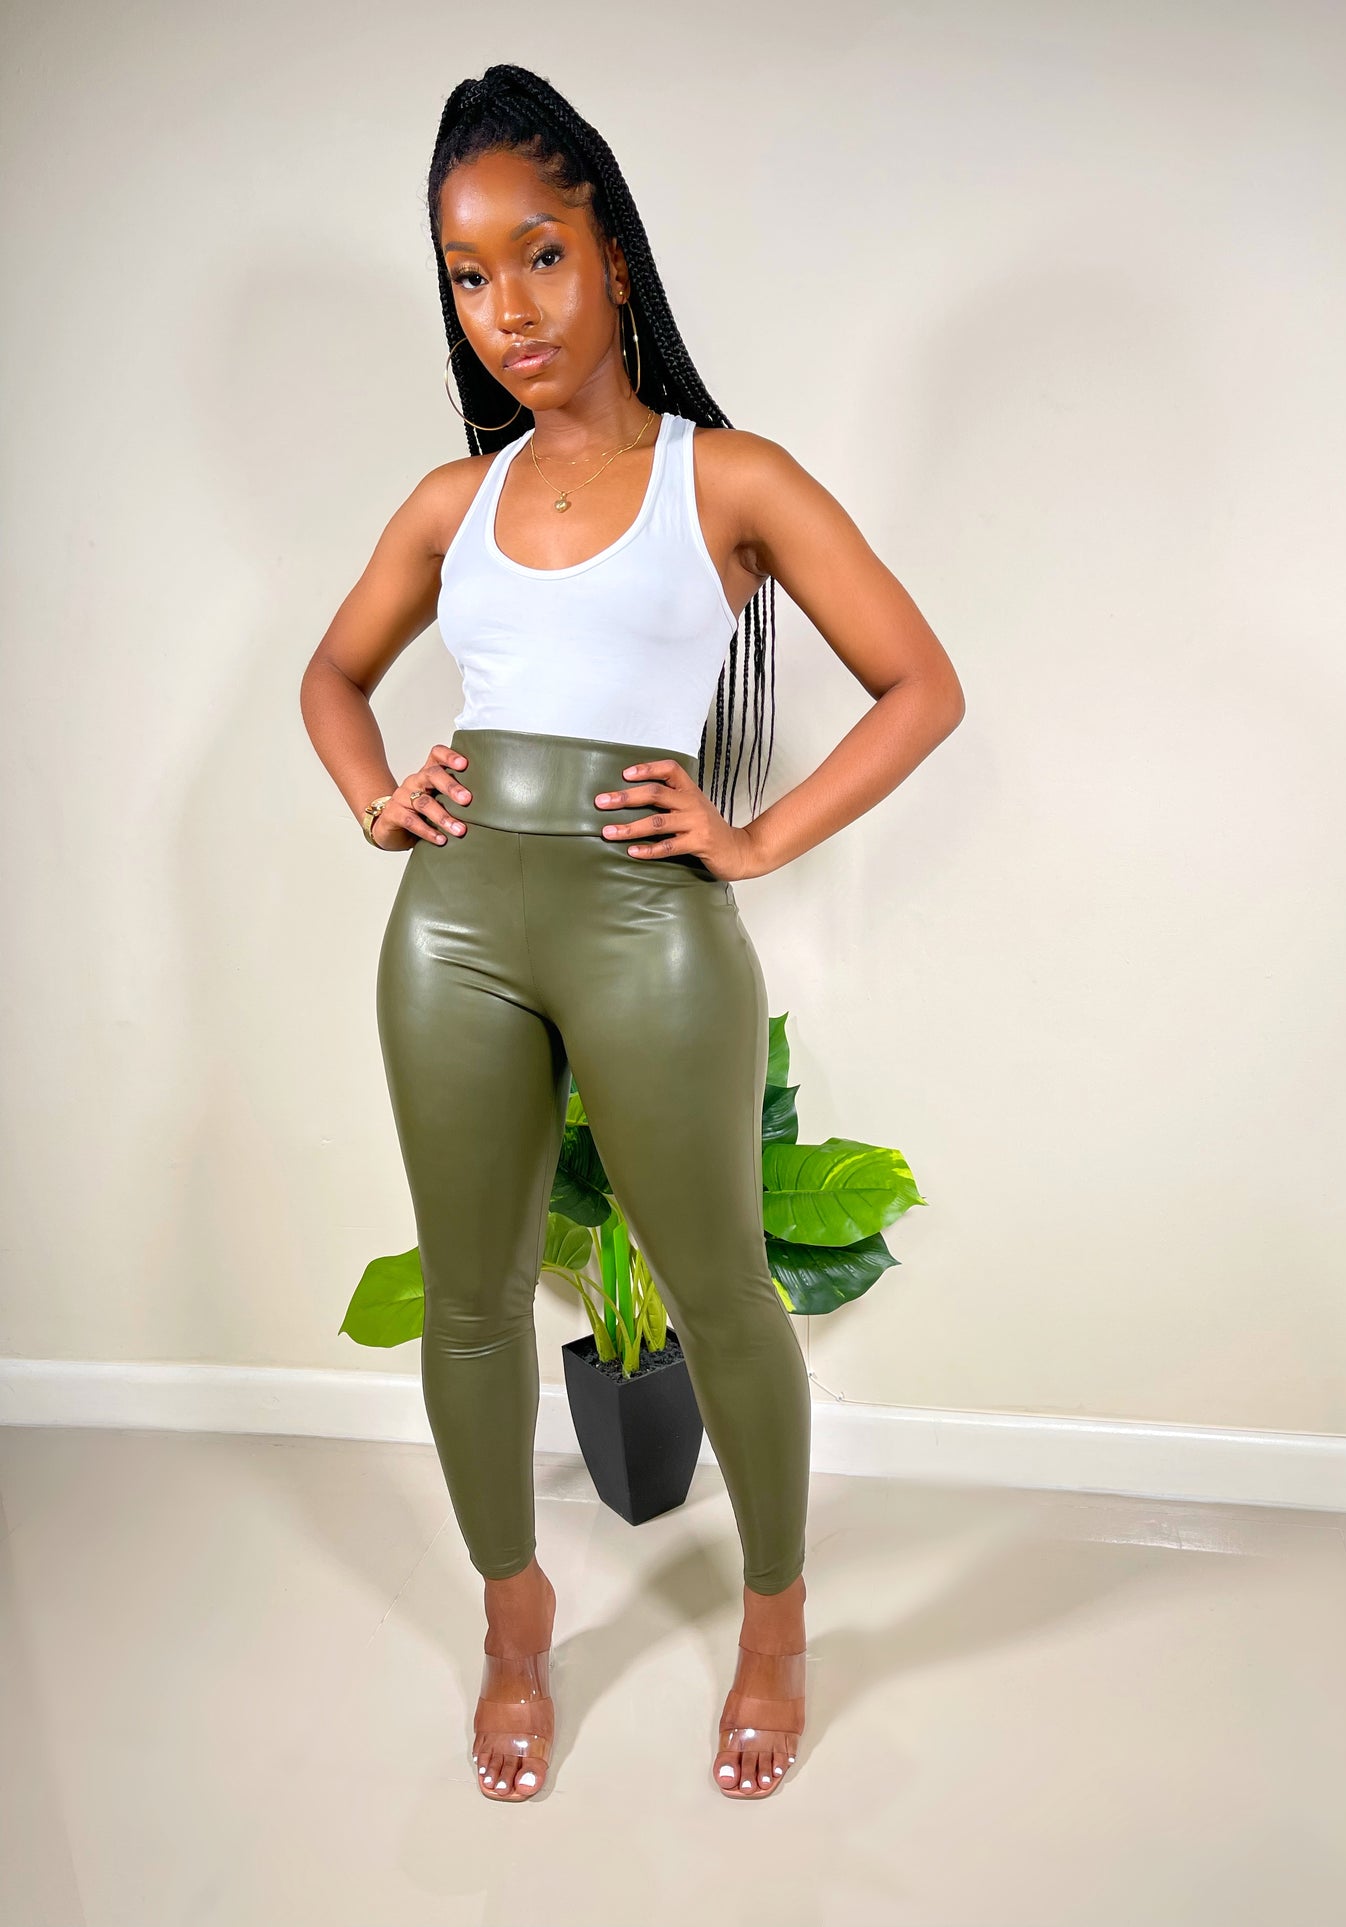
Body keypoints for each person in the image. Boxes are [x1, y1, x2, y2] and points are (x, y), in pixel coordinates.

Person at [299, 62, 964, 1804]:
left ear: (610, 252)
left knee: (724, 1291)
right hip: (452, 929)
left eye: (538, 255)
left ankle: (774, 1626)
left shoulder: (726, 478)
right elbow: (332, 676)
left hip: (645, 921)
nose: (507, 308)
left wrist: (751, 841)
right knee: (466, 1302)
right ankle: (514, 1623)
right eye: (467, 274)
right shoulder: (450, 504)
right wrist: (376, 796)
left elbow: (919, 683)